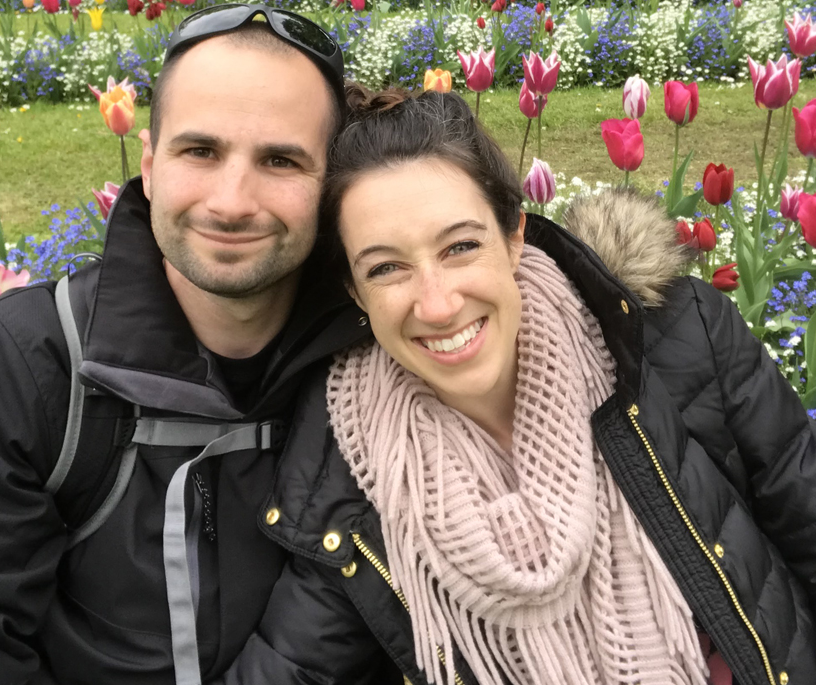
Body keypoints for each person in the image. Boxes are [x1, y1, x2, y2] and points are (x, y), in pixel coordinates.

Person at [220, 87, 816, 685]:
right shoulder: (351, 471)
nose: (438, 303)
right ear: (354, 291)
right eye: (385, 268)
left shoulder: (677, 341)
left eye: (460, 247)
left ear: (513, 238)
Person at [0, 6, 397, 685]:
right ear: (146, 163)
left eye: (281, 160)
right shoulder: (24, 364)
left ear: (332, 184)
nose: (231, 202)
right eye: (199, 151)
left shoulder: (382, 361)